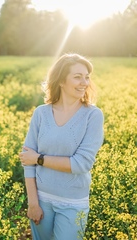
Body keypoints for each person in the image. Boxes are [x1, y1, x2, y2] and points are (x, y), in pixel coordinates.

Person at [19, 53, 104, 240]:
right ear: (61, 81)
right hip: (41, 200)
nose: (85, 82)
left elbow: (81, 164)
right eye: (77, 76)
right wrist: (33, 203)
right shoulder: (41, 113)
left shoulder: (93, 116)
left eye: (87, 77)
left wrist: (39, 159)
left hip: (73, 203)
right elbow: (27, 161)